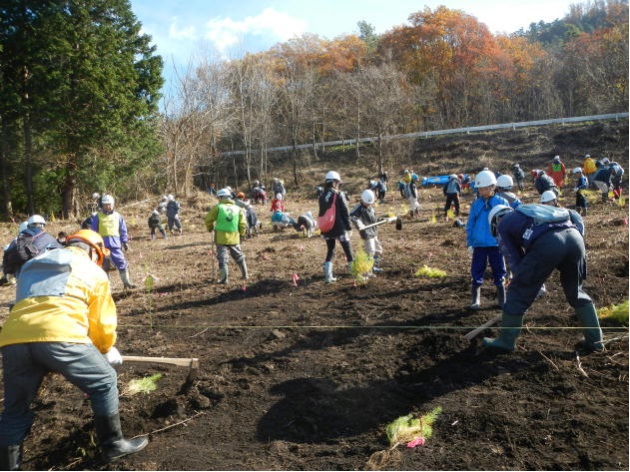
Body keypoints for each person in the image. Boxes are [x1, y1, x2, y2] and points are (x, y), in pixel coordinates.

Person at [0, 230, 148, 469]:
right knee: (105, 381)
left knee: (14, 409)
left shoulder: (31, 266)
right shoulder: (94, 271)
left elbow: (26, 305)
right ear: (94, 251)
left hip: (13, 339)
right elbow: (102, 324)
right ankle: (113, 445)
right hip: (61, 334)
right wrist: (104, 349)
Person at [483, 204, 603, 353]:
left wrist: (526, 282)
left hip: (548, 242)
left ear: (495, 221)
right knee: (575, 291)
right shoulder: (531, 211)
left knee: (518, 289)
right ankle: (595, 340)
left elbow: (514, 259)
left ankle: (506, 341)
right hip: (575, 238)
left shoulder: (504, 224)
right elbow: (574, 215)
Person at [466, 170, 509, 310]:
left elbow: (508, 222)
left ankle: (502, 299)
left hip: (496, 244)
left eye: (484, 188)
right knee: (477, 271)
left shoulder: (502, 202)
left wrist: (507, 240)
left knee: (499, 270)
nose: (481, 191)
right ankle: (475, 300)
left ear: (492, 187)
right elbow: (470, 224)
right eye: (479, 188)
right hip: (479, 245)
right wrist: (470, 242)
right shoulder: (476, 204)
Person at [90, 195, 136, 289]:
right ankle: (107, 287)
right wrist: (93, 245)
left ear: (113, 204)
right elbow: (93, 231)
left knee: (121, 262)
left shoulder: (118, 216)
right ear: (102, 205)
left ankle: (126, 282)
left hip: (115, 244)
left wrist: (125, 242)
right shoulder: (97, 216)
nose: (107, 206)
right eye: (105, 205)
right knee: (104, 265)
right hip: (102, 245)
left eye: (109, 204)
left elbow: (123, 230)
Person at [204, 188, 248, 284]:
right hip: (234, 236)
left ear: (221, 197)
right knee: (239, 256)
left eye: (219, 198)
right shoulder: (238, 209)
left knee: (223, 258)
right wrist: (242, 234)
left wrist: (210, 227)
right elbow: (243, 224)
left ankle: (224, 279)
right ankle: (245, 274)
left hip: (221, 237)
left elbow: (208, 219)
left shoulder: (218, 207)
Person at [2, 215, 64, 279]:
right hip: (43, 274)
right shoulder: (44, 237)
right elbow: (61, 250)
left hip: (22, 278)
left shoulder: (18, 239)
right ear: (41, 225)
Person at [318, 171, 353, 283]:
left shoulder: (322, 196)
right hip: (339, 227)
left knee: (331, 250)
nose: (339, 185)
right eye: (338, 183)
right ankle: (355, 272)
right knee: (348, 250)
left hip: (327, 228)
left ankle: (328, 276)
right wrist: (349, 227)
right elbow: (345, 211)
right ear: (334, 182)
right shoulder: (338, 194)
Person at [350, 189, 383, 276]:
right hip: (366, 234)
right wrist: (359, 223)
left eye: (370, 203)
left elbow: (374, 218)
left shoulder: (370, 208)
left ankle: (374, 266)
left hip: (373, 232)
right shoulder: (359, 208)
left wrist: (381, 219)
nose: (369, 204)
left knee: (378, 250)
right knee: (370, 251)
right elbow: (352, 216)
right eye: (367, 203)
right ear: (363, 200)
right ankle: (368, 271)